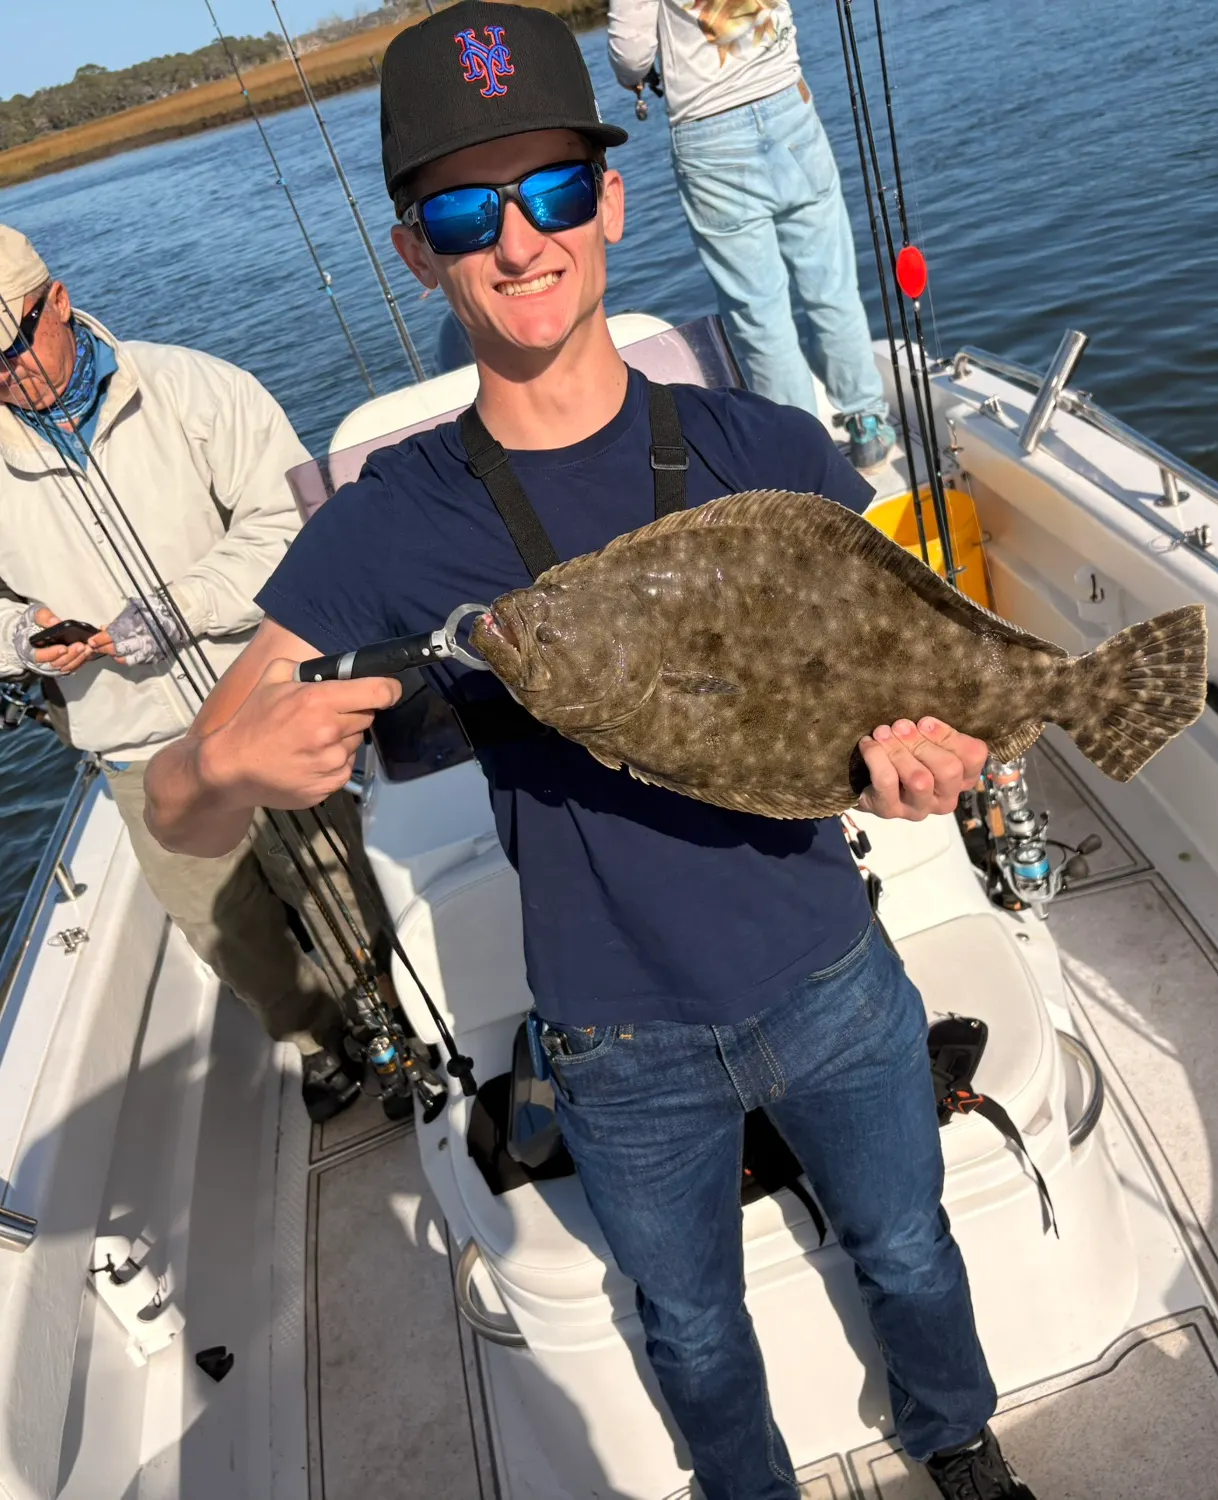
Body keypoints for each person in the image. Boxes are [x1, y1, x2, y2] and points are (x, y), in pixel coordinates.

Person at [142, 6, 1033, 1496]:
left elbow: (912, 686)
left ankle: (957, 1436)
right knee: (688, 1325)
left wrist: (937, 767)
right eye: (463, 208)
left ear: (612, 199)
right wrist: (240, 771)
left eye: (552, 189)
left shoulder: (770, 450)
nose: (519, 239)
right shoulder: (385, 524)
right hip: (615, 1042)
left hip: (833, 969)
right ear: (417, 248)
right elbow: (175, 799)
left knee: (909, 1242)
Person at [0, 224, 379, 1122]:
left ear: (56, 301)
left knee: (348, 881)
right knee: (227, 929)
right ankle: (318, 1044)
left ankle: (391, 1017)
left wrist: (181, 607)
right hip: (134, 753)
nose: (8, 376)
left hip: (265, 700)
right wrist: (21, 634)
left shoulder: (196, 387)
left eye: (11, 345)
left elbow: (288, 524)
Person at [608, 0, 898, 472]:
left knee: (760, 313)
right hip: (790, 105)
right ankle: (868, 424)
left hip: (710, 134)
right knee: (831, 283)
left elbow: (630, 53)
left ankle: (808, 460)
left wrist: (634, 75)